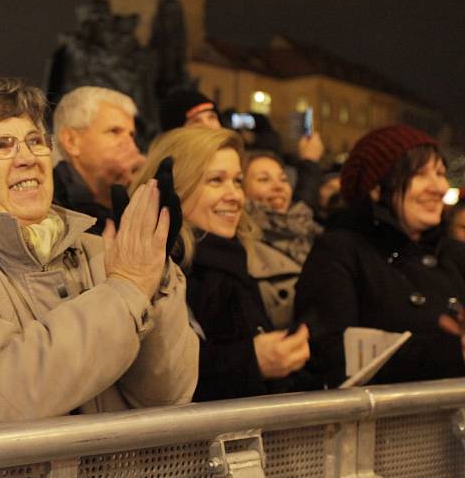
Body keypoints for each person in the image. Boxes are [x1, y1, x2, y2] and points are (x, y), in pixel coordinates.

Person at [0, 76, 197, 430]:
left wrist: (156, 278)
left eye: (35, 141)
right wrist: (126, 289)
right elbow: (6, 396)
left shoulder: (99, 250)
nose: (27, 158)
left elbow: (168, 396)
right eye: (1, 145)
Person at [130, 127, 309, 402]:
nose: (235, 196)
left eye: (237, 181)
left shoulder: (232, 256)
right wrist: (252, 360)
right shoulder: (154, 268)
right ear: (177, 188)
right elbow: (159, 379)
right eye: (216, 181)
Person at [295, 125, 465, 389]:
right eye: (421, 174)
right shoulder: (341, 251)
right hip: (384, 425)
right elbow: (328, 354)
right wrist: (451, 352)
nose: (440, 187)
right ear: (376, 188)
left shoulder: (452, 253)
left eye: (441, 173)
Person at [242, 152, 322, 328]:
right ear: (241, 189)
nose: (279, 186)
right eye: (264, 179)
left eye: (283, 179)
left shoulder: (312, 231)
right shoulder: (243, 244)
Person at [52, 86, 145, 234]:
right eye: (114, 131)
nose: (131, 145)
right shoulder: (49, 202)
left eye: (131, 135)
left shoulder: (136, 195)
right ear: (71, 141)